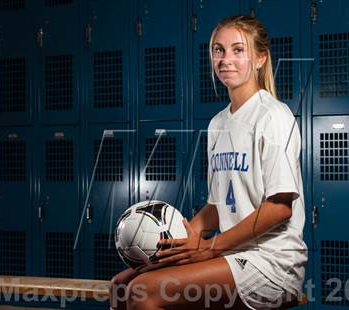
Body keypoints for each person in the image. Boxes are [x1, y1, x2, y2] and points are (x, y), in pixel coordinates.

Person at [110, 15, 307, 310]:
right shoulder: (218, 124)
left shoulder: (274, 116)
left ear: (260, 59)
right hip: (232, 254)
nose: (226, 59)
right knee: (121, 285)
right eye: (219, 50)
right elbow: (218, 206)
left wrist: (210, 247)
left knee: (144, 291)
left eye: (238, 50)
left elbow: (279, 208)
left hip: (272, 261)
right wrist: (180, 240)